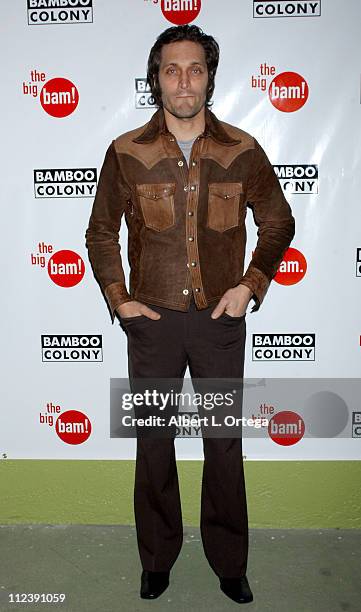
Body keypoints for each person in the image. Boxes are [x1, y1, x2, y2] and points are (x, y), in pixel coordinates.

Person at [85, 24, 295, 604]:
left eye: (195, 69)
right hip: (150, 322)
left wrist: (249, 286)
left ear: (209, 77)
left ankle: (230, 563)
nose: (184, 81)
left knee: (223, 442)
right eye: (172, 69)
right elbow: (101, 230)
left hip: (219, 323)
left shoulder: (241, 149)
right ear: (156, 78)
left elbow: (278, 222)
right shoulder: (127, 151)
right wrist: (118, 297)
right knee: (154, 443)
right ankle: (157, 559)